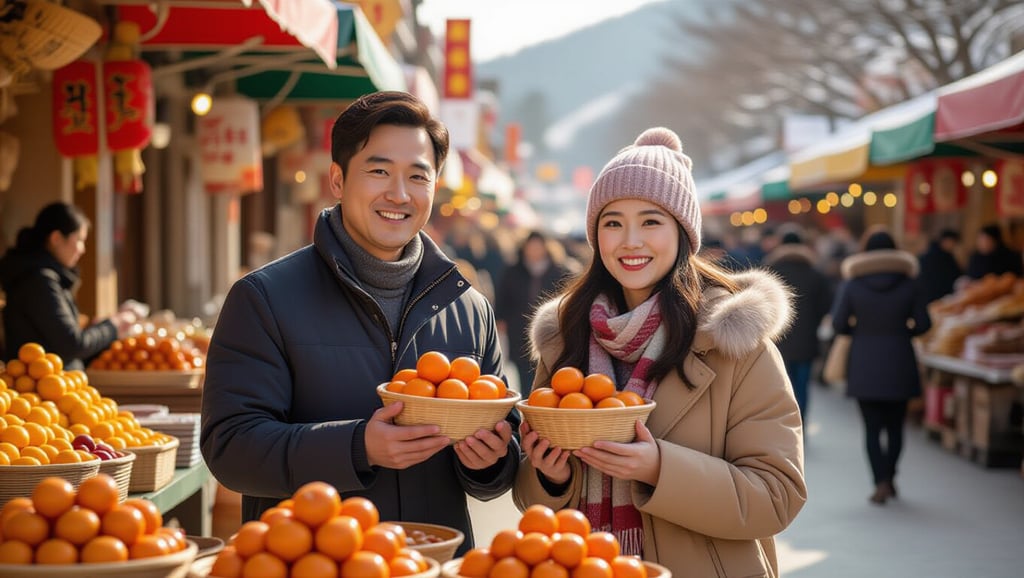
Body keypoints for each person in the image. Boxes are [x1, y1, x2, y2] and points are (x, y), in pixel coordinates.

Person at [199, 91, 519, 553]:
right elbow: (230, 449)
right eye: (379, 171)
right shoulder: (264, 298)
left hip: (433, 562)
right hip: (312, 561)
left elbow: (500, 461)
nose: (399, 194)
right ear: (337, 179)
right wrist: (357, 446)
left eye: (417, 176)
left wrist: (489, 463)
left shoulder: (469, 308)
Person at [512, 128, 806, 577]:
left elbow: (777, 496)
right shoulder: (566, 339)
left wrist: (659, 469)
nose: (630, 241)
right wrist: (551, 478)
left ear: (683, 232)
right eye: (613, 223)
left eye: (651, 221)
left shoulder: (734, 342)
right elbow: (530, 499)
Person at [830, 229, 931, 505]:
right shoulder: (909, 283)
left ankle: (880, 482)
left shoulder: (852, 284)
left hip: (864, 362)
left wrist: (861, 332)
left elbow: (838, 324)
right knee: (896, 427)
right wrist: (902, 332)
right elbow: (924, 324)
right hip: (900, 359)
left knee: (872, 428)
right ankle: (890, 476)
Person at [0, 202, 139, 368]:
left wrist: (100, 329)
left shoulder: (44, 276)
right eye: (79, 240)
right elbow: (72, 344)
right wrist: (113, 324)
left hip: (55, 379)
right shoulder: (39, 281)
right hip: (46, 381)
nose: (82, 249)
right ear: (56, 238)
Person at [763, 228, 832, 422]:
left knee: (780, 385)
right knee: (802, 386)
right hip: (807, 340)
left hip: (777, 340)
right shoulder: (815, 274)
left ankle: (784, 424)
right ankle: (801, 424)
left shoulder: (770, 271)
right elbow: (826, 307)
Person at [495, 231, 573, 392]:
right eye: (531, 246)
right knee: (524, 373)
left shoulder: (560, 271)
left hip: (551, 331)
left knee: (550, 373)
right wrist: (500, 319)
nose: (534, 250)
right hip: (519, 331)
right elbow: (502, 298)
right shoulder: (512, 271)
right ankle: (527, 401)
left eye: (538, 246)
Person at [917, 228, 962, 303]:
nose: (953, 246)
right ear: (945, 240)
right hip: (932, 297)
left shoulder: (948, 257)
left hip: (940, 297)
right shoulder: (931, 257)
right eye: (952, 242)